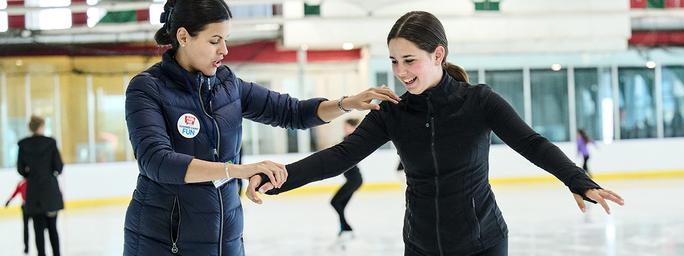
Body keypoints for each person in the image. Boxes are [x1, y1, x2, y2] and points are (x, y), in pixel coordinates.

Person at [247, 11, 624, 256]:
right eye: (394, 61)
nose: (400, 71)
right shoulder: (391, 111)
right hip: (421, 245)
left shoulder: (478, 101)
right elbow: (339, 157)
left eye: (409, 60)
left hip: (483, 244)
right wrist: (279, 179)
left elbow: (531, 142)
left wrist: (576, 180)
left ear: (438, 55)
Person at [123, 0, 400, 255]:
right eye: (214, 40)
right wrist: (237, 170)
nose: (225, 50)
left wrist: (347, 103)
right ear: (183, 37)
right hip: (161, 242)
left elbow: (292, 112)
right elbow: (156, 161)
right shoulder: (148, 88)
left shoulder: (227, 85)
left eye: (226, 40)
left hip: (225, 239)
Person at [17, 116, 64, 256]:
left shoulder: (23, 145)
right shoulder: (51, 143)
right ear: (41, 126)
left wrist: (30, 174)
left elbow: (20, 169)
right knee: (52, 228)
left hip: (34, 193)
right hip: (50, 192)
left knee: (38, 231)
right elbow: (59, 167)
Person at [329, 118, 364, 240]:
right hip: (354, 179)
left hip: (354, 180)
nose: (344, 129)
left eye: (346, 126)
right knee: (338, 204)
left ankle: (346, 227)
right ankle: (345, 227)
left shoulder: (350, 139)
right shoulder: (350, 139)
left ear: (353, 128)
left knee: (335, 202)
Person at [5, 179, 30, 254]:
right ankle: (26, 247)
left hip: (34, 207)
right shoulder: (21, 183)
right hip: (25, 208)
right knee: (26, 227)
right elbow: (15, 192)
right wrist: (9, 200)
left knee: (37, 227)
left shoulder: (32, 181)